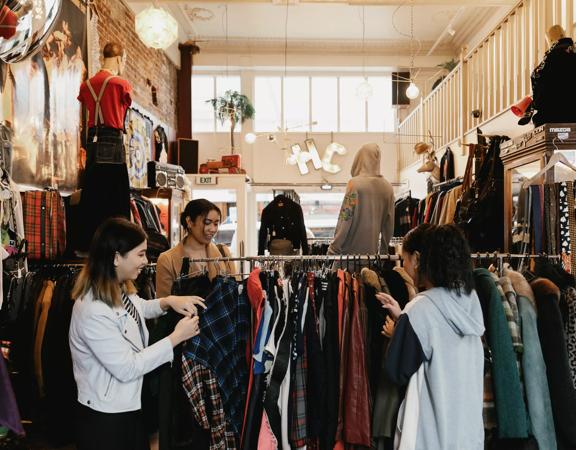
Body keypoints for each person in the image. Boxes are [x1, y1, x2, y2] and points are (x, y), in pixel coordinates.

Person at [69, 218, 206, 450]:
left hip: (127, 408)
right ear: (115, 258)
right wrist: (175, 337)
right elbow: (127, 367)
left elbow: (138, 308)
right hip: (106, 418)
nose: (146, 261)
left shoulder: (117, 288)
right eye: (140, 254)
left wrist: (167, 302)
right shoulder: (93, 309)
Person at [377, 224, 485, 449]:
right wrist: (404, 319)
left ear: (417, 259)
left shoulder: (420, 310)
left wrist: (400, 330)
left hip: (429, 437)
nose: (403, 266)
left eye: (403, 259)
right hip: (468, 436)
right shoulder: (470, 303)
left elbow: (396, 371)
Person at [76, 41, 132, 252]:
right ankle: (119, 243)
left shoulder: (86, 85)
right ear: (119, 59)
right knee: (117, 195)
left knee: (93, 193)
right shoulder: (120, 84)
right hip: (113, 139)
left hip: (92, 141)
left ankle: (90, 244)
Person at [156, 199, 236, 298]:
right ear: (189, 221)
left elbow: (232, 295)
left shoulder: (223, 252)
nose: (213, 229)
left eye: (216, 224)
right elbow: (163, 304)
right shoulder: (167, 260)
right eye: (207, 222)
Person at [328, 143, 395, 256]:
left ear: (360, 158)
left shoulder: (354, 185)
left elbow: (345, 218)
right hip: (371, 257)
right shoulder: (388, 188)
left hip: (347, 258)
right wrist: (383, 251)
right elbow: (389, 224)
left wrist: (333, 249)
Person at [529, 25, 576, 126]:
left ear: (550, 40)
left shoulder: (546, 64)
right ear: (564, 35)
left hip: (551, 119)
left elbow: (540, 97)